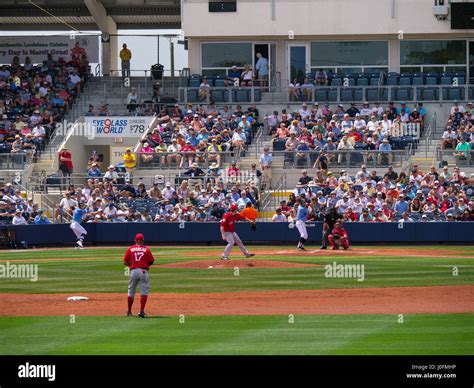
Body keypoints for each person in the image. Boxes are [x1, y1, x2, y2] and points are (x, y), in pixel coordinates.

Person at [123, 233, 155, 318]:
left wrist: (132, 265)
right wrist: (145, 264)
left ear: (135, 240)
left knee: (131, 292)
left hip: (133, 271)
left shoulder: (130, 249)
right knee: (144, 292)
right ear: (143, 240)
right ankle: (141, 311)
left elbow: (125, 262)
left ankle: (129, 311)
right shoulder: (147, 249)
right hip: (143, 271)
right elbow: (151, 261)